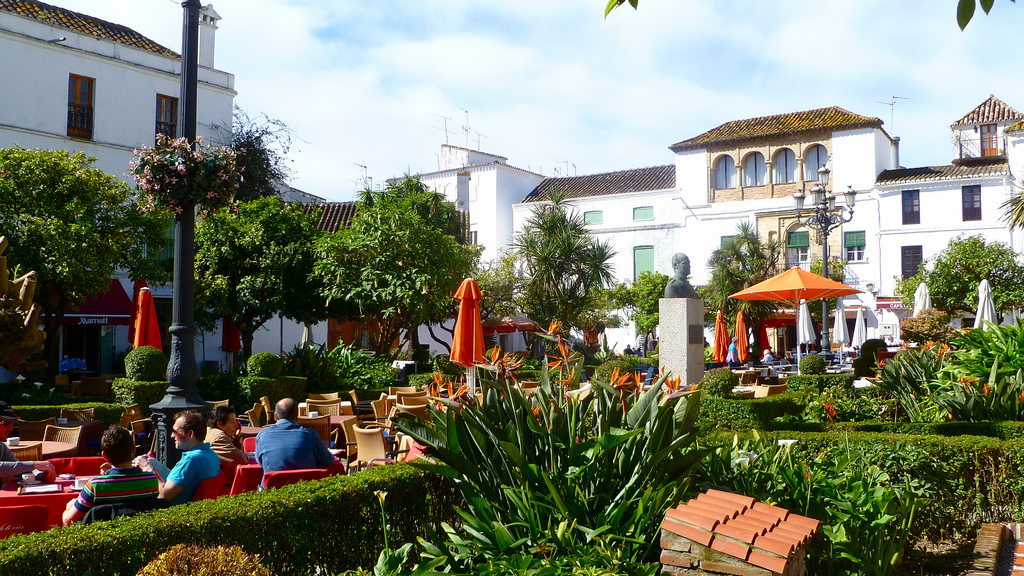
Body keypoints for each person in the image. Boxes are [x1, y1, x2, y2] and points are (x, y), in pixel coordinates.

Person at [62, 425, 159, 525]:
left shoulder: (95, 485)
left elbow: (68, 521)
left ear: (104, 456)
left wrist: (69, 507)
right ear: (133, 449)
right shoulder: (151, 480)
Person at [135, 410, 220, 505]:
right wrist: (154, 463)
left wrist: (148, 469)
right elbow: (177, 481)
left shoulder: (192, 459)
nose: (172, 436)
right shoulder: (210, 454)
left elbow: (163, 496)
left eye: (175, 432)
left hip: (172, 512)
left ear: (190, 434)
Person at [255, 398, 333, 473]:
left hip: (273, 486)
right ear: (297, 416)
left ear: (275, 416)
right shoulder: (310, 435)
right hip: (305, 485)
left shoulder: (262, 436)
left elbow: (260, 462)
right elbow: (328, 460)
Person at [0, 401, 55, 483]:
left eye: (12, 423)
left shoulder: (1, 446)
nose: (10, 428)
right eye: (6, 422)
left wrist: (41, 475)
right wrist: (34, 464)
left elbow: (18, 468)